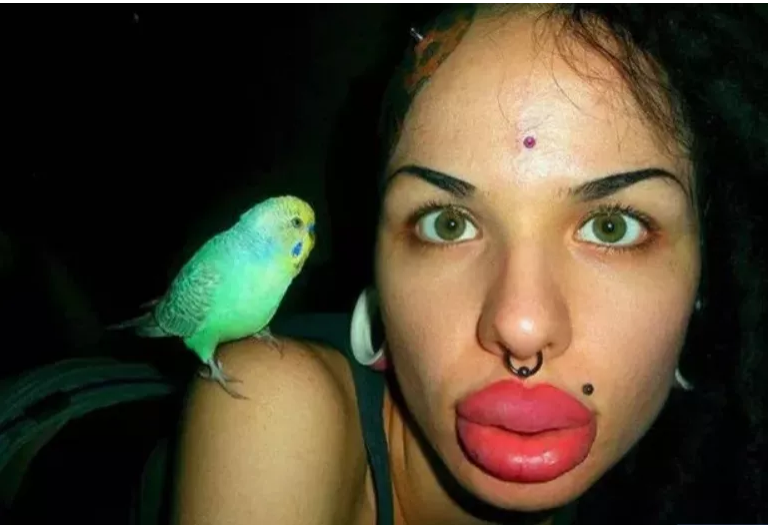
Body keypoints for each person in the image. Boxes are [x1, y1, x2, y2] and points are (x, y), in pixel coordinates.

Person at [172, 4, 766, 524]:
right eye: (448, 224)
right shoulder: (267, 408)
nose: (521, 326)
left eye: (611, 227)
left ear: (702, 281)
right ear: (377, 268)